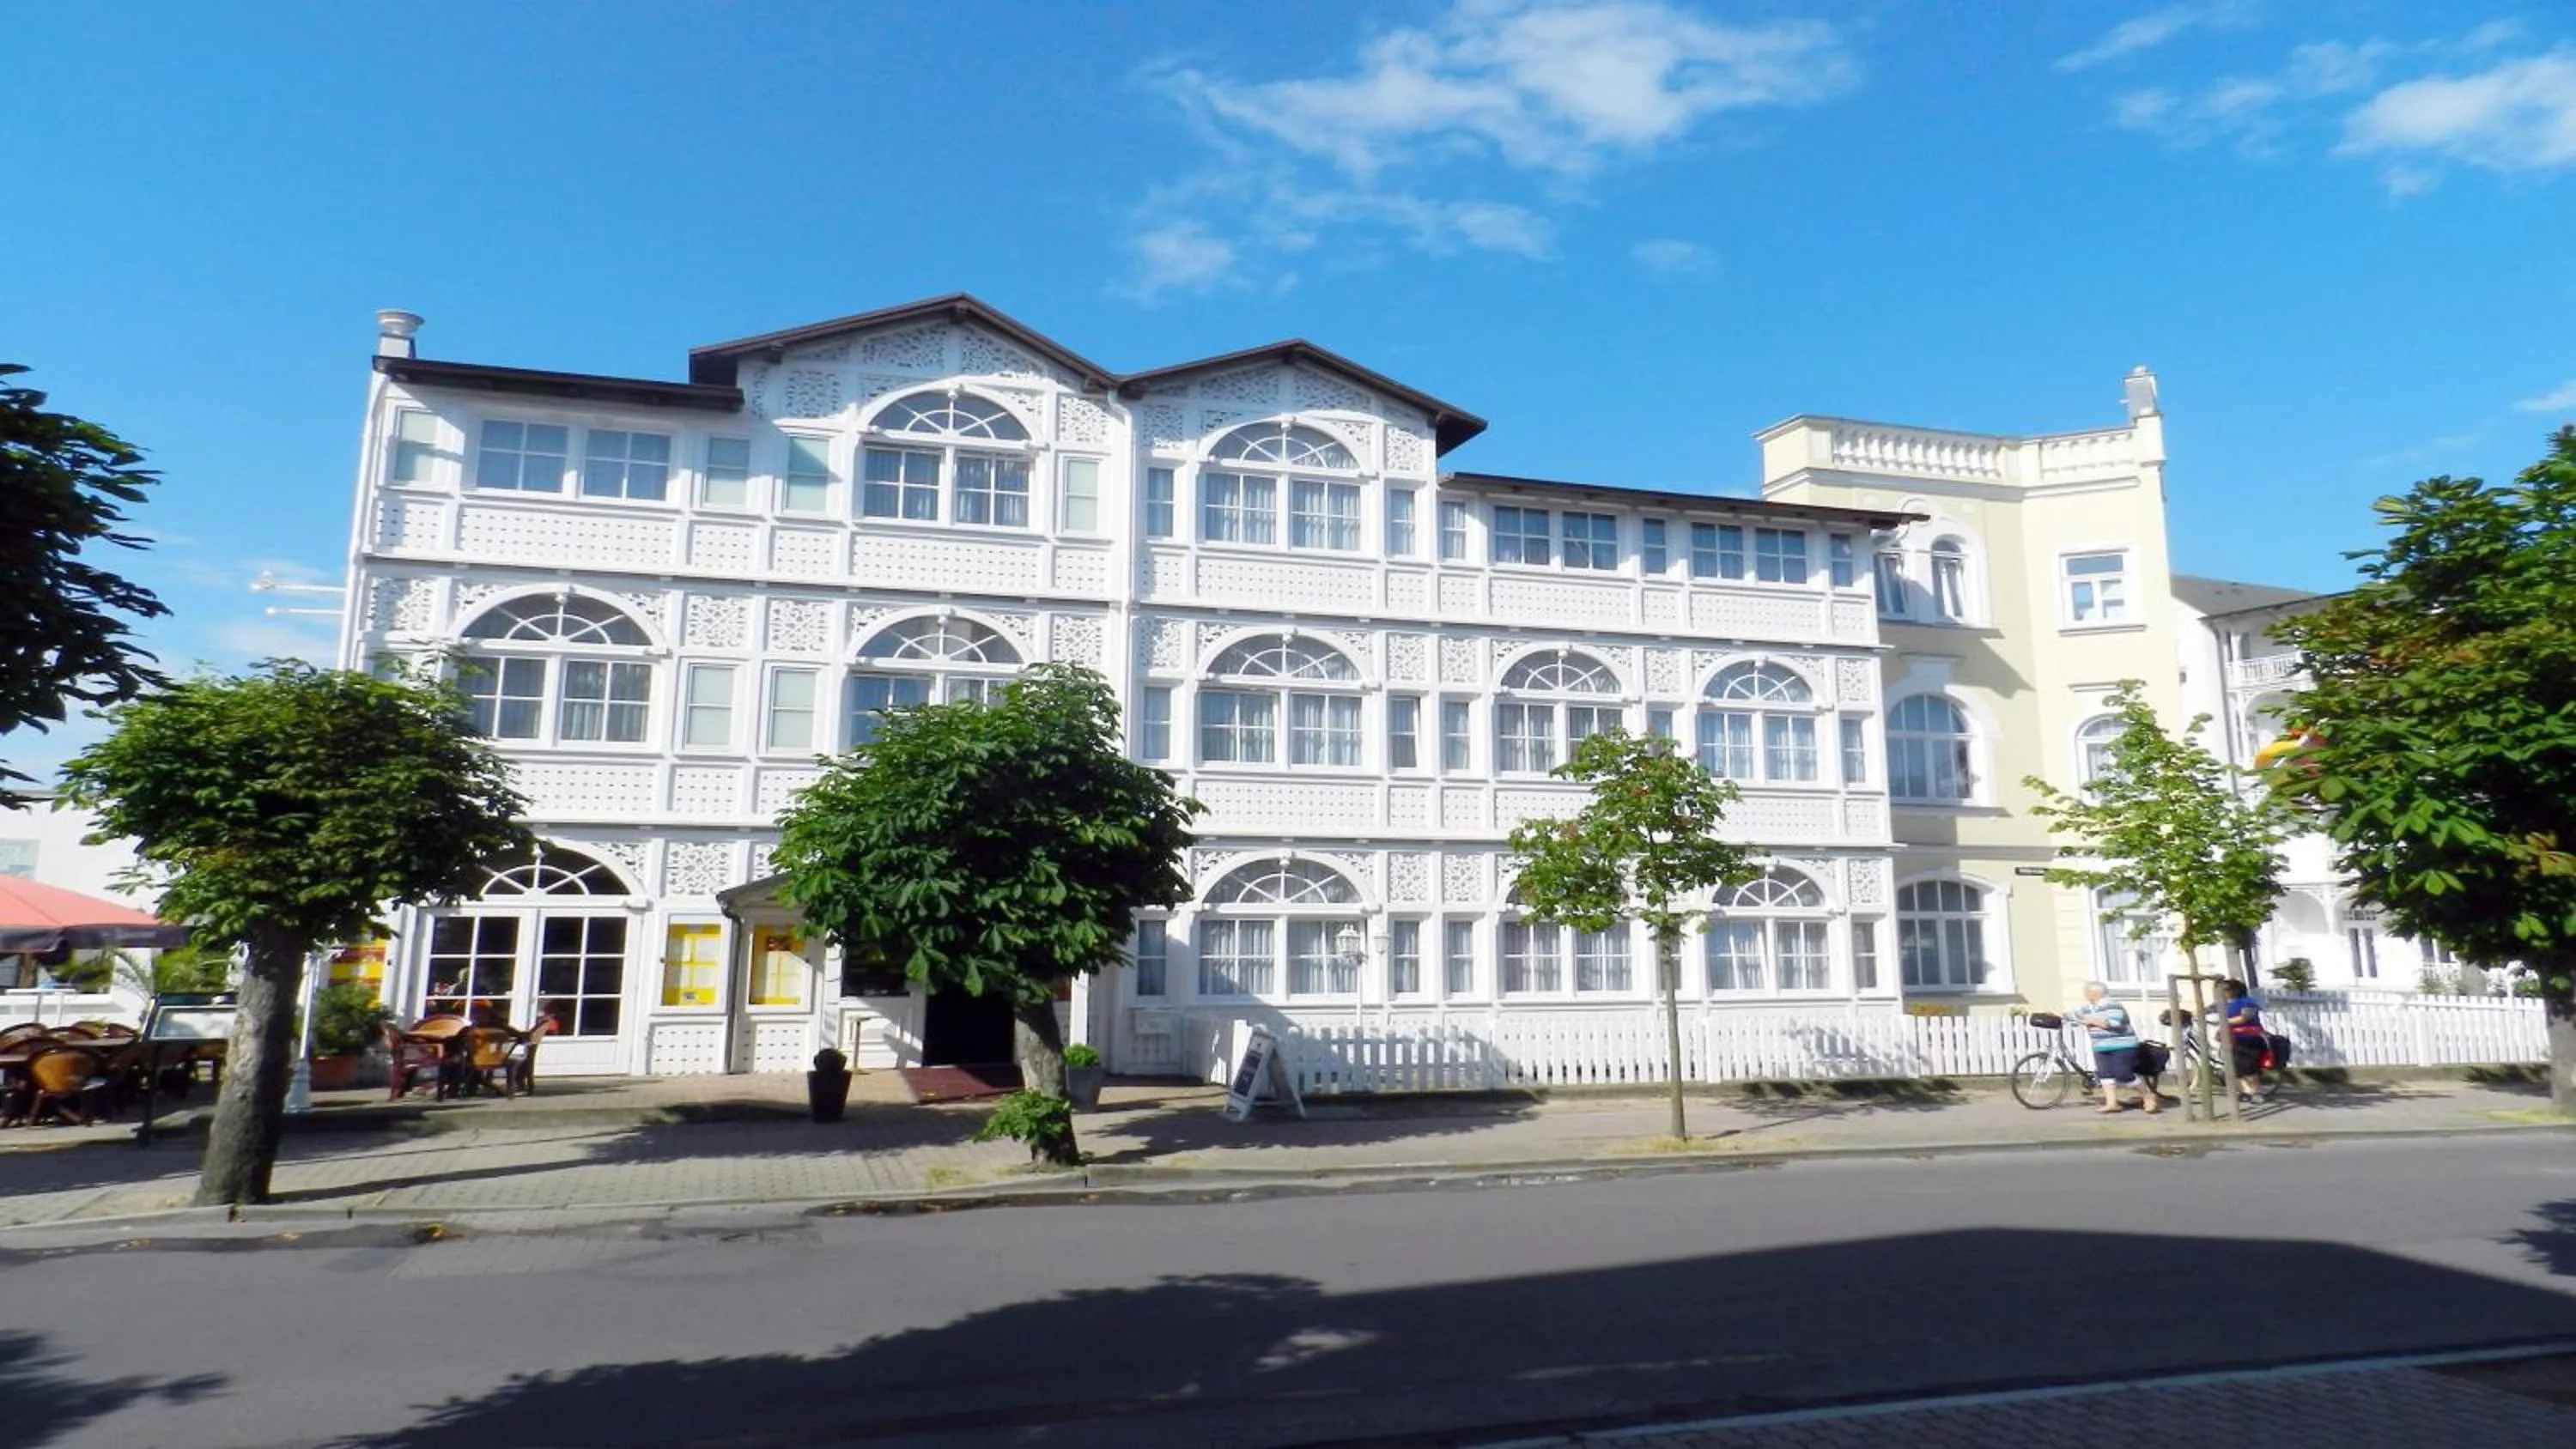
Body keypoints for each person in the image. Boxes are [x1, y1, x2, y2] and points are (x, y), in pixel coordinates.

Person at [2073, 981, 2158, 1115]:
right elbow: (2074, 1016)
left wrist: (2092, 1021)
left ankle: (2148, 1095)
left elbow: (2115, 1022)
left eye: (2087, 992)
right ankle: (2112, 1103)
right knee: (2105, 1074)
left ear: (2093, 993)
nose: (2085, 995)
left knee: (2123, 1074)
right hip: (2100, 1046)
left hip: (2122, 1045)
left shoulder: (2113, 1004)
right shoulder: (2089, 1008)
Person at [2221, 978, 2268, 1102]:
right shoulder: (2225, 1004)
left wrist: (2225, 1021)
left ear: (2234, 990)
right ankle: (2246, 1092)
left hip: (2249, 1039)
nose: (2223, 992)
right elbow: (2205, 1011)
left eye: (2225, 989)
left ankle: (2256, 1093)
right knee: (2237, 1067)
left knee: (2249, 1068)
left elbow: (2246, 1017)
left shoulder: (2247, 1002)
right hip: (2234, 1039)